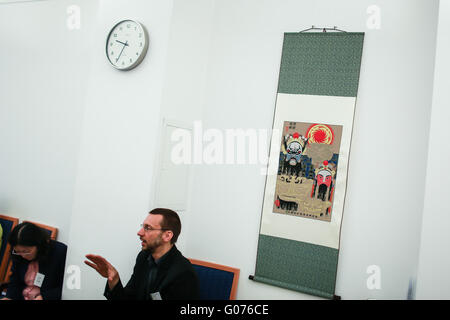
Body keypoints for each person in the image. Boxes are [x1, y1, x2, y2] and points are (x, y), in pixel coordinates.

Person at [85, 208, 199, 300]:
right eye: (142, 227)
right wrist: (114, 280)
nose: (139, 233)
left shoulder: (183, 273)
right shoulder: (143, 257)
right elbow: (129, 297)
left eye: (148, 228)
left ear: (167, 236)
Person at [1, 222, 67, 300]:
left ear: (38, 245)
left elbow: (66, 287)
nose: (23, 255)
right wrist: (10, 297)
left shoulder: (59, 252)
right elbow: (15, 280)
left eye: (26, 251)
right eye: (17, 251)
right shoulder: (17, 254)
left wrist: (45, 297)